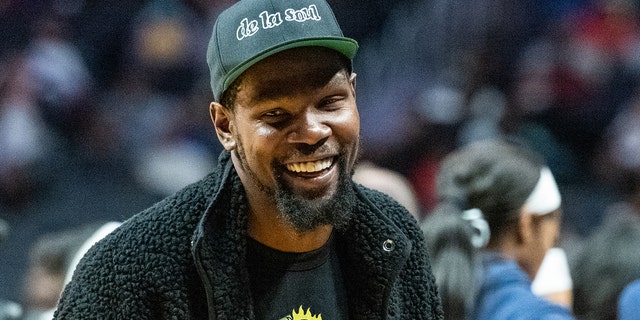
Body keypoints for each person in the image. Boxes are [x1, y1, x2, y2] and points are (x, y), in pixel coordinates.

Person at [53, 0, 444, 319]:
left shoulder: (397, 238)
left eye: (330, 103)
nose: (313, 132)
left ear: (354, 96)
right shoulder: (130, 275)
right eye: (276, 115)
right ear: (224, 126)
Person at [421, 138, 574, 320]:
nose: (554, 238)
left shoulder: (401, 296)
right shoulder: (539, 315)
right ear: (524, 225)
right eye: (553, 223)